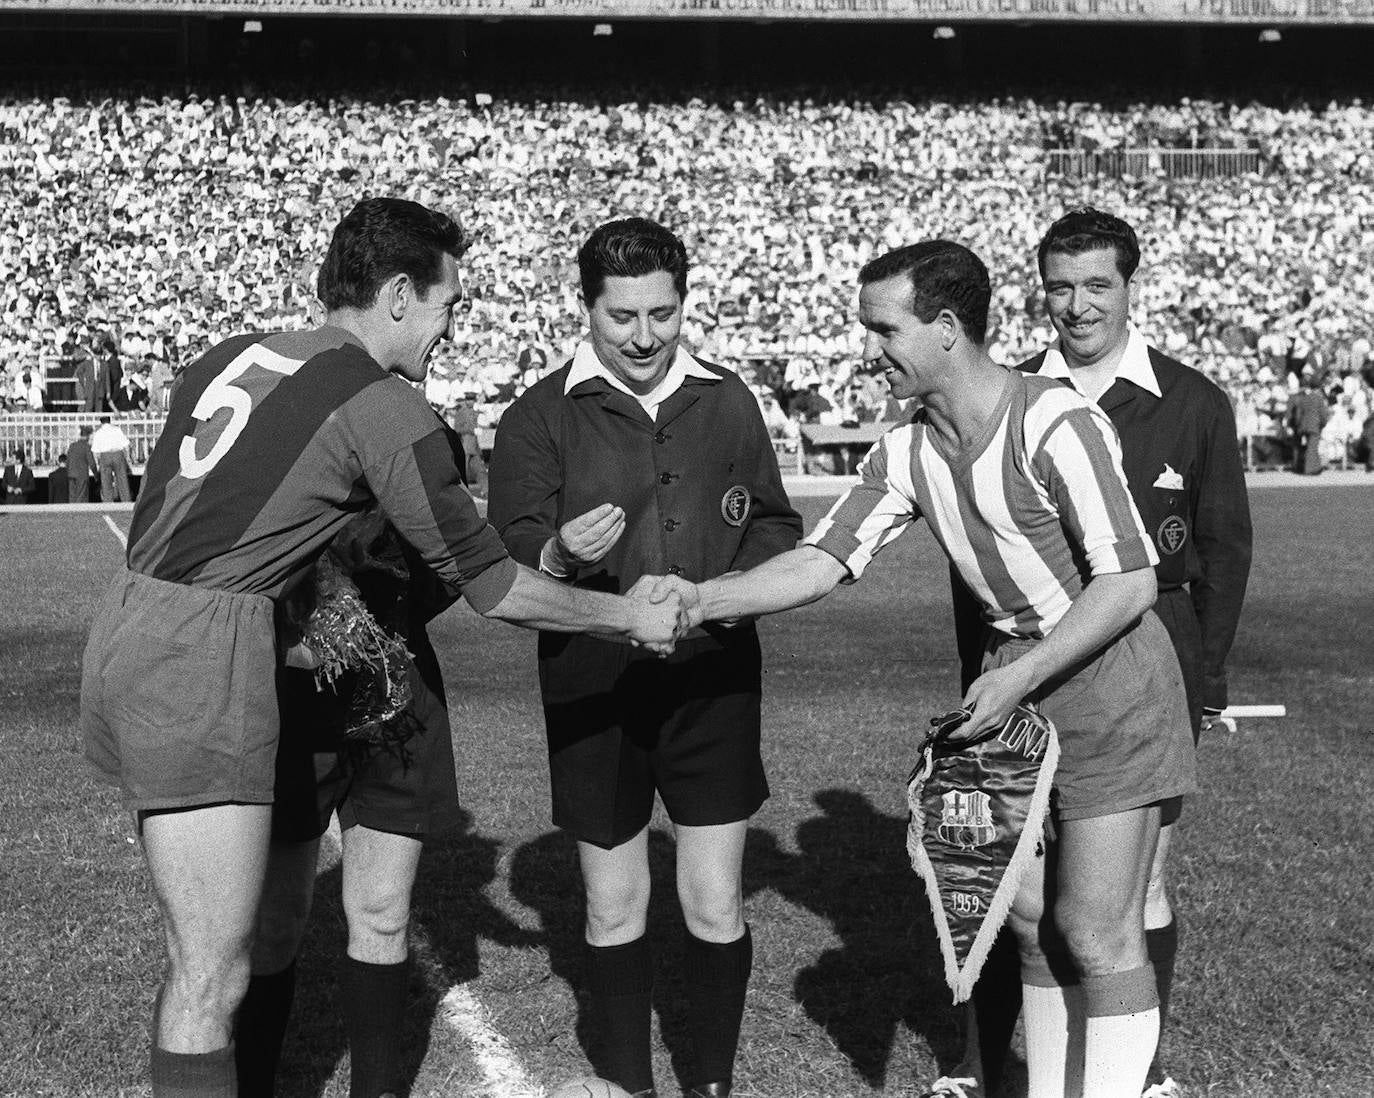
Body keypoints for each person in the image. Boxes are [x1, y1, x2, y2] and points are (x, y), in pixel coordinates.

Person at [80, 197, 682, 1098]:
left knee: (201, 958)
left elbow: (199, 519)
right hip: (202, 657)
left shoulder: (231, 355)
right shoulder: (382, 404)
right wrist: (628, 617)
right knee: (210, 975)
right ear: (400, 295)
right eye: (447, 303)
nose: (447, 327)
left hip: (129, 622)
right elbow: (495, 585)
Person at [636, 241, 1196, 1098]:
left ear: (945, 329)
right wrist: (700, 598)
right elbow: (824, 560)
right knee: (1035, 920)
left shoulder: (1056, 422)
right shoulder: (907, 449)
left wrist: (1018, 673)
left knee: (1096, 924)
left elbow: (1129, 583)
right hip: (1022, 684)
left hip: (1110, 677)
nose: (870, 348)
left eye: (883, 329)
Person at [930, 209, 1254, 1098]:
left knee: (1135, 887)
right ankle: (987, 1063)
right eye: (1060, 286)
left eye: (1097, 285)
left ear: (1128, 287)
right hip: (1023, 675)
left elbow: (1222, 552)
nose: (1077, 305)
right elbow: (980, 564)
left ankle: (1136, 1074)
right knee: (1015, 888)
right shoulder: (1003, 392)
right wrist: (986, 677)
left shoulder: (1190, 401)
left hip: (1153, 662)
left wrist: (1208, 680)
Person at [487, 217, 802, 1098]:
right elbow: (506, 564)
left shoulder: (728, 398)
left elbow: (775, 521)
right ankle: (628, 1084)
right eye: (621, 315)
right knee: (614, 905)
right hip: (595, 689)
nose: (643, 336)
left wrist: (721, 591)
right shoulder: (538, 415)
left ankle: (710, 1084)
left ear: (681, 303)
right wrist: (561, 557)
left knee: (713, 902)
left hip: (714, 682)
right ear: (586, 307)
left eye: (661, 313)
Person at [237, 505, 463, 1098]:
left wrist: (382, 594)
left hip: (396, 695)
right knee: (277, 923)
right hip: (291, 705)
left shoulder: (411, 434)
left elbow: (456, 564)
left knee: (383, 914)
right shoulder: (286, 436)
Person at [1287, 369, 1330, 475]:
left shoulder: (1302, 399)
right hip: (1314, 426)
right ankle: (1309, 469)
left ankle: (1316, 467)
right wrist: (1323, 424)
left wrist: (1298, 425)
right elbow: (1323, 415)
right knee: (1312, 448)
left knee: (1307, 448)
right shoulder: (1318, 398)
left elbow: (1298, 414)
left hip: (1302, 426)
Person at [91, 414, 135, 502]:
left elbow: (95, 451)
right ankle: (126, 499)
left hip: (105, 455)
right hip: (117, 454)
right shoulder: (117, 429)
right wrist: (128, 458)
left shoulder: (98, 432)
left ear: (101, 422)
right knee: (122, 478)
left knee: (106, 480)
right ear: (110, 421)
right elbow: (126, 445)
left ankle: (108, 501)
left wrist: (98, 462)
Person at [67, 424, 97, 502]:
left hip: (71, 474)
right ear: (87, 436)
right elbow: (92, 463)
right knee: (81, 497)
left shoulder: (72, 446)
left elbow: (68, 461)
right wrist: (96, 475)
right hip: (82, 475)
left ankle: (72, 512)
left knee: (72, 497)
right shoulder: (86, 446)